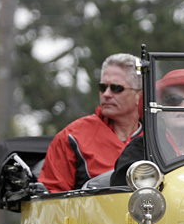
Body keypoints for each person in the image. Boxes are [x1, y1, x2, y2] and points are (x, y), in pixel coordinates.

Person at [38, 53, 143, 192]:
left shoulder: (158, 138)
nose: (106, 94)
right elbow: (51, 195)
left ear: (139, 95)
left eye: (116, 88)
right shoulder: (72, 136)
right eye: (102, 87)